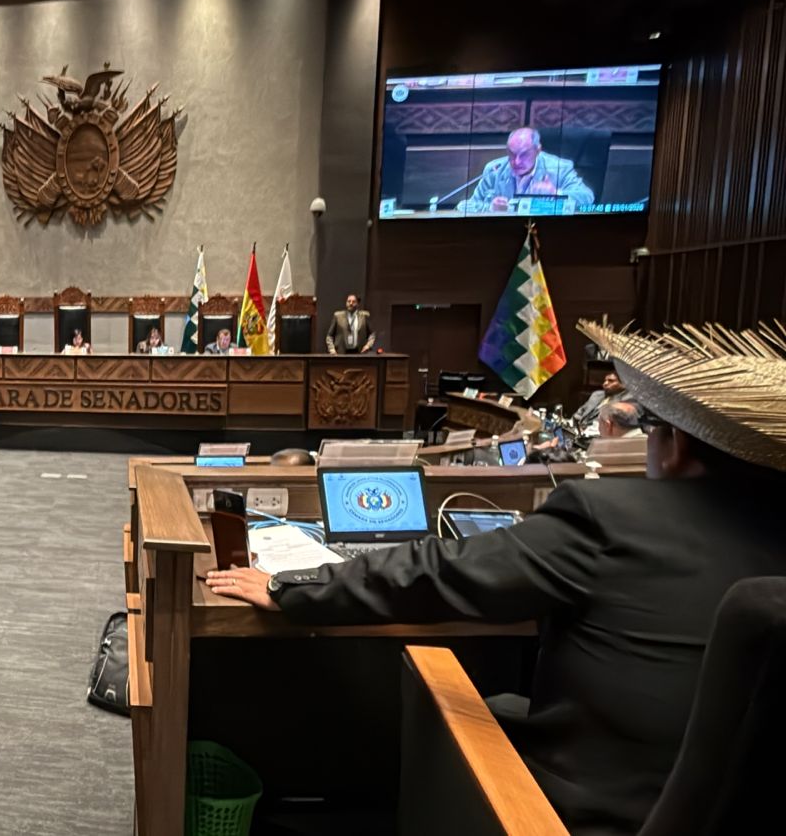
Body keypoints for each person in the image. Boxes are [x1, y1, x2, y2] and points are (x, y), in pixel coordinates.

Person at [203, 319, 786, 836]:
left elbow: (441, 571)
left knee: (436, 684)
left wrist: (296, 586)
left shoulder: (613, 519)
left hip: (565, 815)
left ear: (677, 444)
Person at [464, 127, 595, 213]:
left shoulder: (560, 168)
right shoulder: (495, 170)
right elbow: (465, 207)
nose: (517, 161)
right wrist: (490, 208)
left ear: (538, 150)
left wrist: (555, 193)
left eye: (524, 154)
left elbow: (587, 198)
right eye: (512, 153)